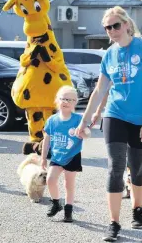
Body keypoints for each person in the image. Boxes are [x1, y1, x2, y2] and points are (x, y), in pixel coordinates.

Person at [75, 6, 142, 242]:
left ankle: (137, 208)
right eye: (107, 27)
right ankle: (113, 223)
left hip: (141, 118)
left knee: (137, 168)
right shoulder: (109, 55)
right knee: (115, 167)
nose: (111, 30)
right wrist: (84, 120)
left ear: (127, 25)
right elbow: (100, 90)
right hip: (115, 115)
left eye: (115, 25)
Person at [41, 86, 89, 223]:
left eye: (69, 99)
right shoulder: (52, 120)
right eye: (63, 98)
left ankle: (68, 211)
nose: (66, 102)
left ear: (75, 102)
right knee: (50, 179)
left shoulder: (78, 119)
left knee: (69, 184)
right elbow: (46, 139)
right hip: (57, 156)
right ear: (57, 100)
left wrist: (84, 133)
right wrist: (43, 158)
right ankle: (56, 203)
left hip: (72, 156)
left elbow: (86, 134)